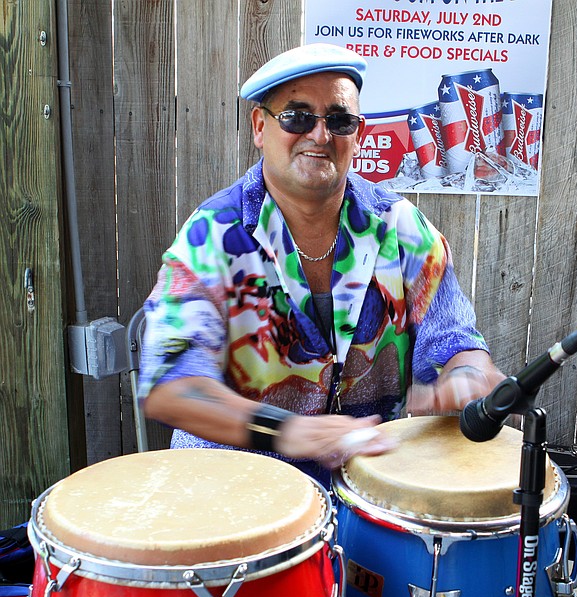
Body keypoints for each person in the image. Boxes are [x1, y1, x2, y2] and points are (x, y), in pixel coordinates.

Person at [139, 43, 505, 485]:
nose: (320, 135)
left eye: (338, 119)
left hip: (368, 489)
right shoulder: (211, 236)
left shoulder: (401, 227)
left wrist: (466, 376)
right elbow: (171, 385)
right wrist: (288, 430)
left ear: (359, 133)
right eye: (297, 117)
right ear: (260, 126)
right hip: (233, 492)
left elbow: (458, 344)